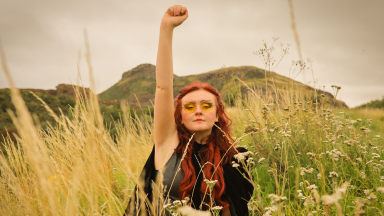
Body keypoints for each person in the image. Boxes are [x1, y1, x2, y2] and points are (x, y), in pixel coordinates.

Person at [124, 5, 254, 216]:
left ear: (217, 113)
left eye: (206, 105)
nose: (198, 111)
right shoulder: (167, 144)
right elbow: (163, 87)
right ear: (180, 114)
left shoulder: (234, 159)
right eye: (190, 106)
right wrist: (166, 27)